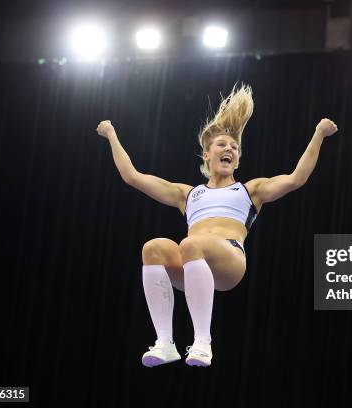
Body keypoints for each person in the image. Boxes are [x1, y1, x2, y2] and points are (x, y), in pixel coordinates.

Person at [96, 84, 337, 367]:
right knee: (153, 248)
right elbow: (132, 177)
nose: (230, 149)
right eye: (222, 145)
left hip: (229, 260)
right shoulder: (187, 194)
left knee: (190, 243)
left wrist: (319, 134)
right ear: (207, 156)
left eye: (234, 147)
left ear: (236, 160)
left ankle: (202, 342)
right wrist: (111, 135)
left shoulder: (251, 190)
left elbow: (297, 178)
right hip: (193, 262)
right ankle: (165, 343)